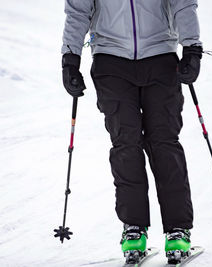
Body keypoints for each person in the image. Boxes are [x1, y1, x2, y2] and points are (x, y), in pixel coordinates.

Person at [61, 0, 202, 263]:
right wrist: (70, 59)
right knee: (126, 144)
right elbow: (78, 10)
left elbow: (182, 3)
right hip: (110, 61)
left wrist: (192, 47)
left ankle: (177, 230)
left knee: (164, 142)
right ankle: (134, 229)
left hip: (160, 56)